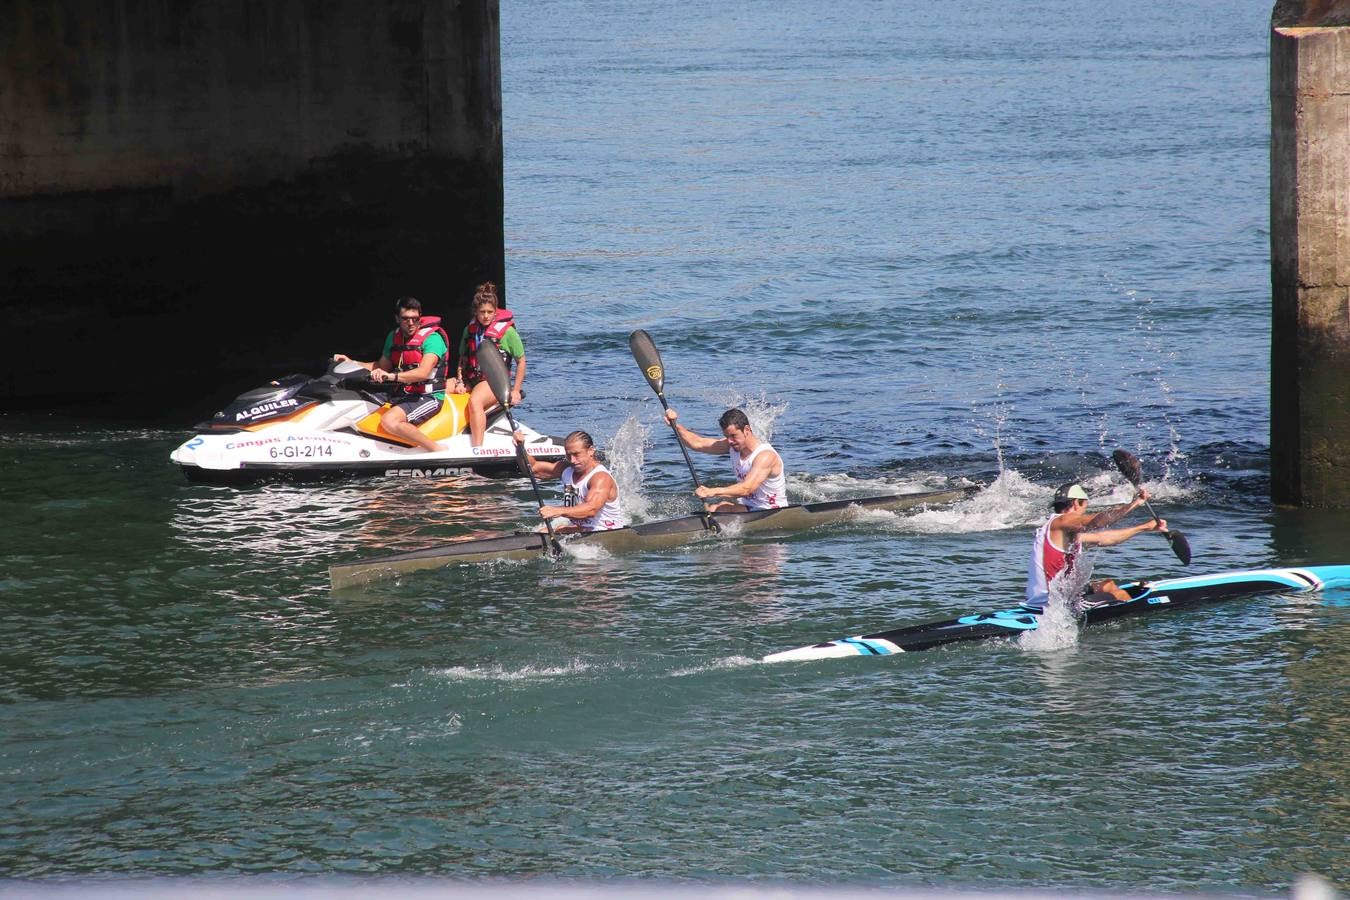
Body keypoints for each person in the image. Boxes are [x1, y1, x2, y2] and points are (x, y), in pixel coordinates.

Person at [1025, 482, 1168, 610]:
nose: (1085, 511)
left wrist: (1142, 528)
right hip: (1051, 606)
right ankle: (1137, 619)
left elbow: (1104, 538)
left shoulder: (1063, 535)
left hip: (1059, 597)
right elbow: (1097, 521)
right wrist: (1135, 503)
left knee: (1108, 585)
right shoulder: (1062, 521)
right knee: (1119, 598)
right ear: (1076, 503)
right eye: (1085, 506)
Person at [334, 296, 450, 452]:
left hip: (428, 396)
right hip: (401, 392)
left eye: (415, 319)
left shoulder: (433, 339)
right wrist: (352, 362)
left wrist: (391, 377)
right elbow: (380, 366)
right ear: (397, 318)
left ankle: (438, 450)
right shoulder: (393, 337)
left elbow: (423, 373)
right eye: (405, 319)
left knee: (389, 421)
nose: (410, 323)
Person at [662, 407, 788, 512]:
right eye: (726, 436)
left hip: (772, 511)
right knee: (716, 509)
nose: (730, 441)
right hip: (750, 507)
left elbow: (746, 488)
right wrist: (675, 425)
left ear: (747, 430)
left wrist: (712, 491)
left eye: (733, 436)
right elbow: (697, 443)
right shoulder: (732, 446)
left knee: (721, 508)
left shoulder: (765, 456)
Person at [512, 430, 628, 533]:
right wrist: (520, 447)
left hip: (605, 531)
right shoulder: (566, 469)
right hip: (579, 527)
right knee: (542, 531)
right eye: (569, 455)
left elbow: (591, 509)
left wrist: (558, 511)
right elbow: (533, 469)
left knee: (548, 531)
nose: (572, 460)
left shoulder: (600, 477)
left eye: (577, 454)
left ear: (590, 451)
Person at [454, 282, 526, 447]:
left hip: (493, 381)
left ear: (495, 312)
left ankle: (477, 448)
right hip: (472, 378)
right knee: (441, 388)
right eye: (482, 312)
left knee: (475, 401)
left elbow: (521, 361)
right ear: (476, 312)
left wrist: (515, 390)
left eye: (490, 312)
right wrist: (459, 381)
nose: (486, 316)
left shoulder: (508, 333)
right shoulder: (469, 330)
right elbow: (462, 359)